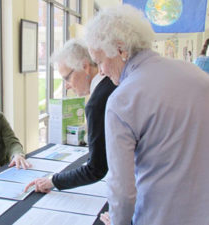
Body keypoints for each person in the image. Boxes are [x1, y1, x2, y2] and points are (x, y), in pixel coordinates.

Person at [85, 4, 209, 225]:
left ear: (121, 49)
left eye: (100, 61)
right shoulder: (197, 75)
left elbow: (122, 190)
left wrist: (118, 221)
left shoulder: (122, 99)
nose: (101, 70)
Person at [24, 39, 116, 193]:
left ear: (85, 67)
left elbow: (95, 169)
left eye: (67, 78)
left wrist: (53, 181)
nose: (66, 85)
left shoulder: (97, 103)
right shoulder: (111, 83)